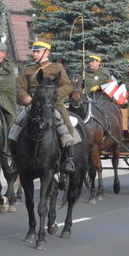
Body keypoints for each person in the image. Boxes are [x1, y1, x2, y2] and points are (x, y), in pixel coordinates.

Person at [11, 40, 76, 173]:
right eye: (34, 51)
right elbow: (19, 87)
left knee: (67, 127)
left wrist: (53, 96)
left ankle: (68, 159)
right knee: (15, 128)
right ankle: (15, 161)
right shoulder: (28, 69)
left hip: (54, 104)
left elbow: (68, 86)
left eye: (38, 51)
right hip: (33, 106)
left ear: (47, 52)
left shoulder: (57, 67)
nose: (35, 54)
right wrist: (25, 97)